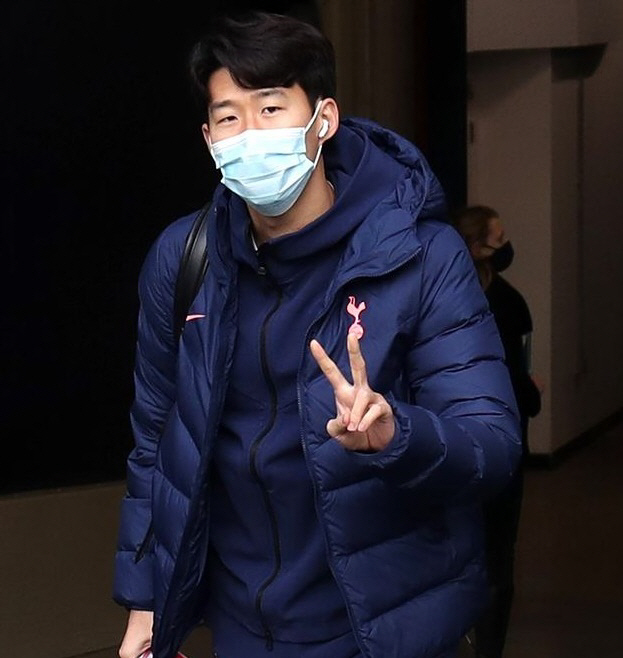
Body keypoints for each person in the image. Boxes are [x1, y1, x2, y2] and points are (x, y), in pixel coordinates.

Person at [113, 12, 522, 658]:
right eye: (228, 117)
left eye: (271, 108)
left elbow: (491, 445)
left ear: (323, 119)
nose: (250, 134)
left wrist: (396, 435)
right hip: (243, 629)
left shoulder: (421, 255)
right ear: (209, 139)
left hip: (382, 628)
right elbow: (158, 444)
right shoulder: (185, 259)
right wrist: (146, 602)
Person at [452, 205, 542, 658]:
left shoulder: (441, 301)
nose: (505, 246)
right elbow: (519, 378)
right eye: (498, 238)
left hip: (451, 445)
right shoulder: (509, 305)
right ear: (476, 247)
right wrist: (531, 394)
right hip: (500, 448)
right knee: (497, 554)